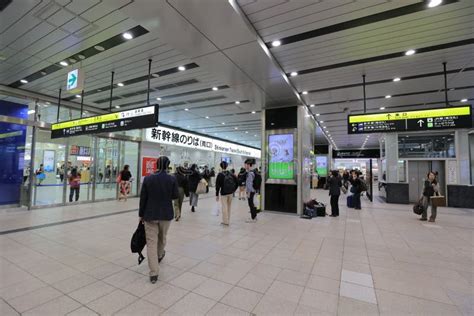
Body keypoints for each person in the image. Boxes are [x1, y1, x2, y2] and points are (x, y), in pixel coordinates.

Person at [139, 156, 178, 284]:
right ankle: (160, 255)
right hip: (166, 214)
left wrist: (141, 214)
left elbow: (143, 198)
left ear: (156, 165)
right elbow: (174, 196)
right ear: (167, 165)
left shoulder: (148, 178)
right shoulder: (172, 179)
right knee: (162, 238)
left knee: (151, 242)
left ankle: (154, 273)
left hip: (150, 214)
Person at [215, 161, 238, 226]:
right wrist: (233, 190)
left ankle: (225, 221)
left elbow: (217, 186)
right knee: (229, 207)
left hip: (224, 193)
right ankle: (228, 220)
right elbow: (237, 182)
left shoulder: (220, 174)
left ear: (221, 166)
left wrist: (217, 195)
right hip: (230, 193)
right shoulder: (231, 173)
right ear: (227, 166)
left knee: (224, 207)